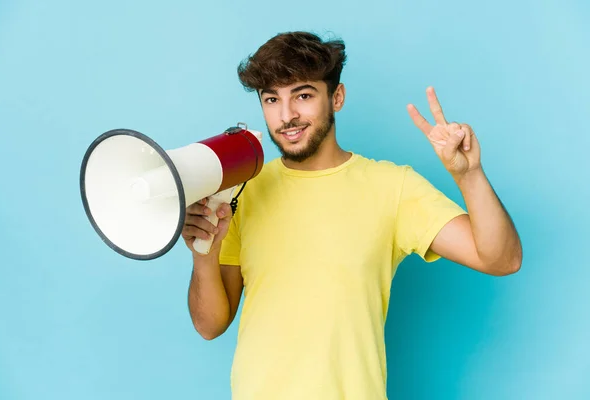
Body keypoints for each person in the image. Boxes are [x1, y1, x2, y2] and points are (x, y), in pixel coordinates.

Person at [183, 31, 522, 400]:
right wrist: (204, 254)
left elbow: (501, 258)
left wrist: (467, 174)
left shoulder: (393, 187)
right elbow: (209, 325)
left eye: (303, 95)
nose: (286, 115)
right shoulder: (245, 188)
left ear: (337, 97)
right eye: (271, 99)